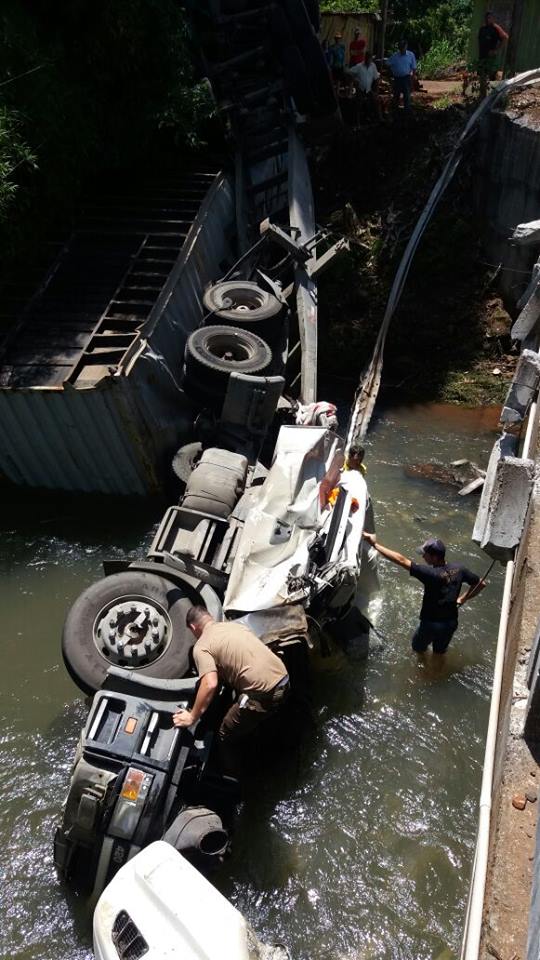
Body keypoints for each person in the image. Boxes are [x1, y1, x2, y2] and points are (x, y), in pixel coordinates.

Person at [173, 606, 290, 772]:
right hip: (284, 677)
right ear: (208, 617)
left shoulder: (202, 646)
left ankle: (234, 774)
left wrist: (192, 716)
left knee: (224, 734)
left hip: (265, 695)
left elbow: (210, 684)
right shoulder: (234, 626)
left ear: (193, 627)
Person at [362, 533, 486, 654]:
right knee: (439, 653)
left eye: (425, 554)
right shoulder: (459, 569)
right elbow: (480, 584)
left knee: (418, 649)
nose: (422, 557)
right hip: (450, 623)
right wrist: (462, 599)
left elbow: (400, 560)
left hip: (430, 625)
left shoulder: (430, 574)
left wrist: (374, 544)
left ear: (435, 558)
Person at [478, 11, 509, 93]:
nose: (488, 19)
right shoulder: (482, 29)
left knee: (491, 75)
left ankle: (492, 93)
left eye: (490, 18)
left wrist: (496, 50)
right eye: (487, 18)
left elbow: (505, 38)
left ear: (493, 19)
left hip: (490, 56)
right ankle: (482, 94)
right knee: (482, 75)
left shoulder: (495, 28)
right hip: (482, 55)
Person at [347, 51, 382, 122]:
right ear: (365, 58)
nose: (368, 60)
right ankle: (357, 122)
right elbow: (348, 72)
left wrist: (376, 92)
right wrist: (354, 80)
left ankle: (379, 119)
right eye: (367, 58)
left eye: (370, 59)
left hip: (368, 89)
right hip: (360, 89)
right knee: (358, 104)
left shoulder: (373, 66)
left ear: (371, 59)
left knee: (376, 101)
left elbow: (376, 78)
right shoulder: (359, 66)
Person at [388, 39, 417, 114]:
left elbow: (414, 67)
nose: (402, 49)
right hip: (397, 78)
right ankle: (395, 111)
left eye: (403, 47)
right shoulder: (395, 56)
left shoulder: (410, 55)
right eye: (400, 47)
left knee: (406, 95)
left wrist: (413, 78)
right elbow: (387, 64)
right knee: (396, 95)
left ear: (406, 47)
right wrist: (391, 75)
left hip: (406, 78)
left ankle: (407, 110)